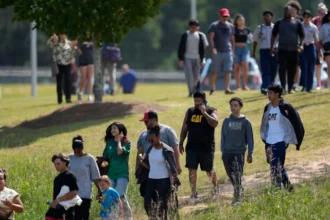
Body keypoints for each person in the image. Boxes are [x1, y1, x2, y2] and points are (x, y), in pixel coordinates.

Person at [260, 84, 305, 190]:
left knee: (275, 167)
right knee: (276, 165)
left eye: (270, 93)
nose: (268, 95)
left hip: (280, 141)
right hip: (269, 141)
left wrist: (288, 139)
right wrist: (265, 138)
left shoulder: (286, 107)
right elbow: (265, 123)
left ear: (277, 94)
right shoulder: (268, 107)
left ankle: (276, 190)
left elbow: (295, 122)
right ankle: (289, 188)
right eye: (268, 93)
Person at [179, 91, 219, 200]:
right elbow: (184, 128)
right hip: (192, 146)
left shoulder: (211, 110)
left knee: (209, 169)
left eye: (199, 101)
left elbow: (215, 123)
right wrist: (181, 142)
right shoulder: (190, 111)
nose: (196, 103)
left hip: (206, 147)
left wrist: (204, 113)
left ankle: (216, 187)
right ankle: (193, 193)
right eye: (195, 101)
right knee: (192, 169)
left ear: (204, 100)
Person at [140, 126, 180, 219]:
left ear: (158, 137)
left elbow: (172, 168)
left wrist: (172, 182)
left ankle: (164, 218)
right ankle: (153, 217)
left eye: (152, 140)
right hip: (151, 179)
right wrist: (141, 162)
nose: (151, 142)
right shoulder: (150, 149)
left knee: (163, 204)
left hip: (164, 179)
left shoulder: (167, 150)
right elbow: (148, 165)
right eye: (149, 140)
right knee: (147, 202)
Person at [221, 97, 253, 206]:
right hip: (227, 152)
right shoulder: (226, 121)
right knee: (230, 174)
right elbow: (223, 137)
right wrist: (223, 151)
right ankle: (239, 187)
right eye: (231, 105)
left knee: (237, 174)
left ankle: (237, 197)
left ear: (240, 107)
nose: (233, 107)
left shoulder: (246, 122)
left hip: (239, 152)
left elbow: (250, 139)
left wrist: (250, 154)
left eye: (235, 105)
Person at [271, 6, 305, 94]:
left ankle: (290, 87)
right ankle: (282, 87)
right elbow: (273, 35)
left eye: (289, 11)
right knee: (282, 69)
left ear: (291, 12)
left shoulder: (297, 22)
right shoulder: (279, 23)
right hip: (282, 48)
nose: (287, 12)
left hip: (293, 49)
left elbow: (302, 35)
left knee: (292, 69)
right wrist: (272, 47)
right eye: (285, 11)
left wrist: (301, 45)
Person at [102, 122, 132, 220]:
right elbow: (105, 157)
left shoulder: (127, 142)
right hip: (111, 174)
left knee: (120, 195)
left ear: (121, 130)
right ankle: (113, 217)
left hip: (122, 173)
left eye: (115, 128)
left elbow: (119, 152)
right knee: (111, 197)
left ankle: (128, 217)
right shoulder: (109, 143)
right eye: (111, 129)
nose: (112, 130)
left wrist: (119, 140)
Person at [68, 135, 101, 220]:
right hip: (72, 193)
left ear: (82, 148)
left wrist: (100, 189)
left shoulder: (89, 159)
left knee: (84, 215)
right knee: (74, 217)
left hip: (86, 192)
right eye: (75, 151)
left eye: (79, 150)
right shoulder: (69, 159)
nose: (77, 152)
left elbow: (95, 176)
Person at [178, 19, 209, 97]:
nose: (194, 28)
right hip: (187, 57)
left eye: (195, 27)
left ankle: (193, 88)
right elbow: (181, 47)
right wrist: (181, 59)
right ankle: (191, 91)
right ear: (189, 27)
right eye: (192, 27)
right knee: (189, 75)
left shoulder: (200, 35)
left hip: (197, 58)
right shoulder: (186, 35)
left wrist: (202, 60)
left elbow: (203, 49)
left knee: (196, 76)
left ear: (198, 27)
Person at [208, 8, 235, 95]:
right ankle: (212, 89)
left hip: (228, 51)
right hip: (217, 51)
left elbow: (232, 39)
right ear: (219, 15)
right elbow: (211, 38)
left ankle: (227, 88)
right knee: (214, 71)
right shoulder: (214, 26)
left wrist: (233, 51)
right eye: (223, 16)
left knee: (228, 70)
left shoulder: (231, 26)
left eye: (226, 16)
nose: (225, 18)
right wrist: (213, 48)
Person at [45, 153, 79, 220]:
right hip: (55, 210)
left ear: (64, 162)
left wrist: (58, 200)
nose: (56, 166)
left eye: (58, 164)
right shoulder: (57, 178)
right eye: (55, 164)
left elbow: (74, 192)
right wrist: (55, 202)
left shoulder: (70, 176)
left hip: (66, 211)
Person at [47, 34, 79, 104]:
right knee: (59, 82)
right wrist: (52, 38)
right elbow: (49, 44)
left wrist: (74, 48)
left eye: (64, 35)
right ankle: (59, 99)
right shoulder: (55, 43)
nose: (62, 36)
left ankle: (68, 98)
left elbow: (72, 52)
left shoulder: (69, 43)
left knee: (68, 81)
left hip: (67, 64)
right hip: (58, 64)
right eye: (61, 35)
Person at [253, 10, 278, 95]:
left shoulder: (275, 28)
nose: (267, 17)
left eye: (268, 16)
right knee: (265, 70)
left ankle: (272, 87)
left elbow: (279, 40)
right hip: (264, 50)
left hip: (274, 50)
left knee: (273, 70)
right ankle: (265, 87)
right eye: (265, 16)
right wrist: (253, 52)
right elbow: (255, 40)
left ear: (271, 17)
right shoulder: (260, 28)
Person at [299, 10, 319, 92]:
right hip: (302, 47)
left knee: (311, 67)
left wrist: (320, 50)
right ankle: (303, 85)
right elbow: (298, 37)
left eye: (308, 17)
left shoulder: (314, 27)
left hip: (311, 46)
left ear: (310, 18)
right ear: (303, 17)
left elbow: (317, 40)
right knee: (304, 67)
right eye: (305, 17)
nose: (306, 18)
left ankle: (309, 87)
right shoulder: (300, 26)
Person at [233, 14, 253, 91]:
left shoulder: (247, 30)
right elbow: (232, 40)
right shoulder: (234, 30)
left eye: (243, 20)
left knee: (245, 66)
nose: (241, 21)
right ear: (236, 21)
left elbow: (251, 41)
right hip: (236, 49)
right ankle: (238, 86)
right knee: (237, 68)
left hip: (245, 49)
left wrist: (246, 40)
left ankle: (245, 85)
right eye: (240, 20)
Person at [286, 1, 303, 92]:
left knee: (296, 66)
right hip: (286, 46)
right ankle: (289, 83)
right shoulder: (285, 20)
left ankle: (295, 84)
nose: (292, 11)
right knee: (288, 66)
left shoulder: (300, 20)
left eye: (294, 9)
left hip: (297, 45)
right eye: (290, 9)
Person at [312, 3, 328, 90]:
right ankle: (318, 84)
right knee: (318, 65)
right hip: (317, 46)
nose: (323, 15)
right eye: (321, 13)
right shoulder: (314, 21)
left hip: (327, 45)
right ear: (318, 13)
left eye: (324, 13)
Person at [319, 12, 330, 88]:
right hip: (327, 48)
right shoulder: (324, 26)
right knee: (329, 65)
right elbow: (320, 40)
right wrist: (320, 51)